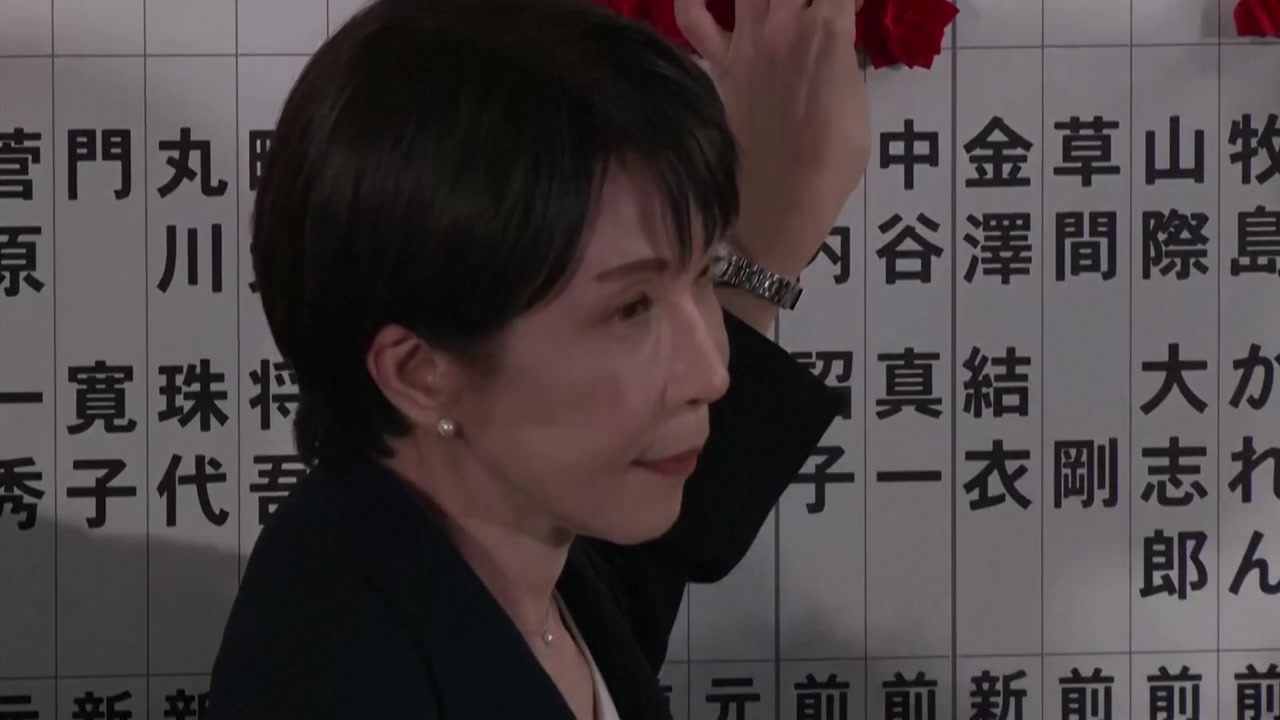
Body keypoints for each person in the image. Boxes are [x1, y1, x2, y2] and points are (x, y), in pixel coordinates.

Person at [207, 0, 867, 717]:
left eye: (703, 272)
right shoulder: (338, 671)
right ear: (420, 373)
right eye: (632, 309)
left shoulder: (527, 560)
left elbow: (664, 551)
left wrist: (773, 227)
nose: (711, 372)